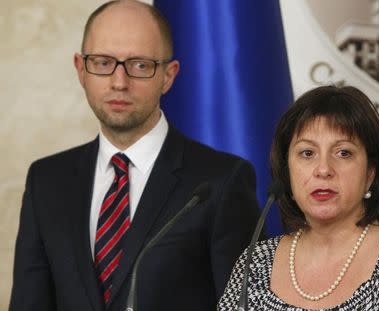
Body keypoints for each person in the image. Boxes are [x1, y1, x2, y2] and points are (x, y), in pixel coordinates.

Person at [9, 1, 262, 310]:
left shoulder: (221, 183)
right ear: (80, 69)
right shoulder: (46, 181)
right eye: (103, 62)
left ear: (168, 75)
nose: (119, 82)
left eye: (140, 65)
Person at [218, 85, 379, 310]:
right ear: (288, 172)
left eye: (343, 153)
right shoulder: (257, 262)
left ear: (370, 173)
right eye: (307, 153)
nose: (323, 169)